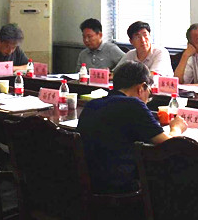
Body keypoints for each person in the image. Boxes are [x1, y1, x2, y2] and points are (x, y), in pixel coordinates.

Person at [77, 61, 187, 194]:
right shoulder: (134, 104)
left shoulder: (92, 104)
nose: (147, 99)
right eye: (149, 93)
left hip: (87, 183)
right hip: (119, 186)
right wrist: (177, 128)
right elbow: (169, 145)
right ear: (141, 88)